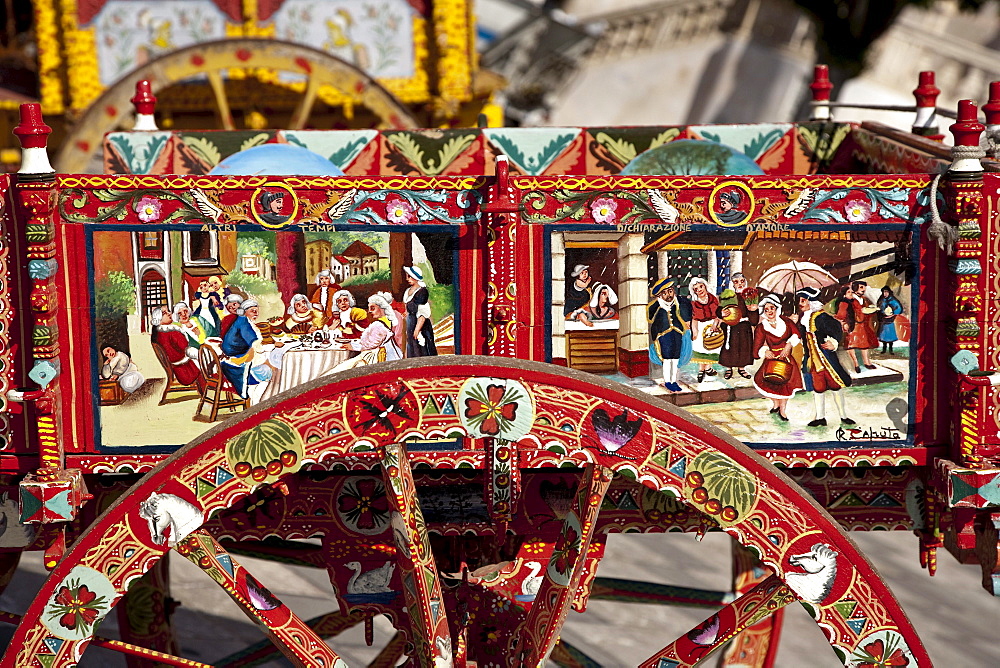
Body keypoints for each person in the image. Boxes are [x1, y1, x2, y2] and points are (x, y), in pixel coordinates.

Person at [797, 287, 854, 427]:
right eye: (800, 300)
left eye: (803, 300)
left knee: (835, 384)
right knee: (818, 387)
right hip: (813, 359)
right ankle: (820, 417)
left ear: (812, 302)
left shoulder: (822, 317)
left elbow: (835, 329)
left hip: (826, 357)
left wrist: (833, 342)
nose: (800, 303)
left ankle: (843, 416)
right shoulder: (803, 318)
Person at [751, 295, 802, 421]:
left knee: (786, 384)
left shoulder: (786, 321)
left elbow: (796, 334)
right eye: (766, 309)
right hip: (772, 358)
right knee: (767, 382)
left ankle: (783, 410)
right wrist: (765, 351)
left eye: (771, 308)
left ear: (776, 308)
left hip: (786, 358)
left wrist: (789, 345)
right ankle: (776, 404)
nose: (770, 312)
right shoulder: (761, 327)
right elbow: (757, 344)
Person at [334, 292, 403, 369]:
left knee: (345, 368)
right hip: (377, 352)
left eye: (372, 308)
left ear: (382, 308)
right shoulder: (384, 321)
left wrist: (352, 346)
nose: (369, 311)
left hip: (378, 356)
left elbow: (371, 344)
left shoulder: (379, 325)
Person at [220, 299, 271, 399]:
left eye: (256, 310)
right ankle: (259, 399)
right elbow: (255, 344)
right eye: (252, 310)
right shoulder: (243, 323)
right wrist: (272, 346)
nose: (256, 313)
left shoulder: (244, 321)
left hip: (238, 357)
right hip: (237, 364)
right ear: (244, 311)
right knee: (269, 370)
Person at [648, 277, 691, 393]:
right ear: (660, 295)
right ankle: (668, 381)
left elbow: (686, 311)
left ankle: (674, 381)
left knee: (676, 358)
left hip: (677, 333)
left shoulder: (678, 303)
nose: (668, 295)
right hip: (663, 335)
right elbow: (650, 316)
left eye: (670, 291)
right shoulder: (657, 306)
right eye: (665, 293)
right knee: (667, 359)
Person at [151, 306, 205, 392]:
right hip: (186, 369)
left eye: (168, 311)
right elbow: (185, 347)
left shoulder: (160, 333)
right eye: (165, 313)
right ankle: (208, 390)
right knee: (206, 359)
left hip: (178, 366)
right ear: (159, 319)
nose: (169, 313)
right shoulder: (171, 332)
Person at [716, 273, 759, 379]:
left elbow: (754, 320)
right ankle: (729, 368)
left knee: (744, 347)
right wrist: (722, 312)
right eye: (736, 282)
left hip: (744, 327)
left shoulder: (749, 296)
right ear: (732, 284)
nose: (739, 284)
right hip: (730, 326)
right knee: (730, 347)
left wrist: (753, 310)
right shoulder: (729, 296)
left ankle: (741, 368)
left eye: (742, 281)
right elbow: (719, 310)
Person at [838, 281, 879, 372]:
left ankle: (867, 362)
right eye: (861, 287)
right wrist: (844, 323)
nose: (863, 290)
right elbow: (842, 313)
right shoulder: (849, 300)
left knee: (864, 344)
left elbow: (867, 310)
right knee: (851, 344)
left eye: (864, 288)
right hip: (853, 324)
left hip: (863, 324)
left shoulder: (864, 299)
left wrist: (872, 310)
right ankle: (856, 364)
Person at [688, 277, 721, 383]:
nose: (700, 290)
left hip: (713, 325)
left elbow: (718, 314)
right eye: (696, 289)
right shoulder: (694, 304)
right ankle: (701, 369)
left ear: (705, 286)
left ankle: (708, 368)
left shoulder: (713, 299)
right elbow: (694, 319)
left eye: (701, 286)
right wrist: (695, 331)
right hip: (701, 326)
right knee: (701, 348)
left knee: (712, 346)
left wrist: (715, 324)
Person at [402, 266, 437, 357]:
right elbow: (408, 306)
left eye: (409, 276)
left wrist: (417, 329)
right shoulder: (407, 291)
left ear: (416, 278)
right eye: (407, 276)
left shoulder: (422, 292)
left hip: (420, 323)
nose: (407, 279)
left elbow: (422, 313)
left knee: (421, 346)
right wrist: (406, 312)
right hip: (411, 322)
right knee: (411, 344)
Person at [877, 286, 904, 354]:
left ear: (889, 292)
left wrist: (893, 313)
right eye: (883, 292)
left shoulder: (892, 300)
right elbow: (879, 307)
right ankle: (884, 349)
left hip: (890, 320)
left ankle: (891, 350)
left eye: (886, 292)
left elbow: (899, 308)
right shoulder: (881, 299)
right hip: (883, 319)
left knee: (890, 335)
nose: (885, 293)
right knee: (883, 335)